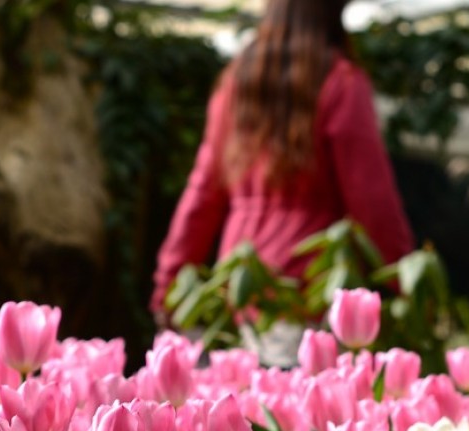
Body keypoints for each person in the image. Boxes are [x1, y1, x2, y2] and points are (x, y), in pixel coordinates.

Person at [151, 0, 415, 332]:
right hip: (312, 287)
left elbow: (202, 195)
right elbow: (373, 202)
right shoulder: (342, 82)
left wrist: (169, 287)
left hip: (240, 283)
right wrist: (408, 284)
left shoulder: (236, 82)